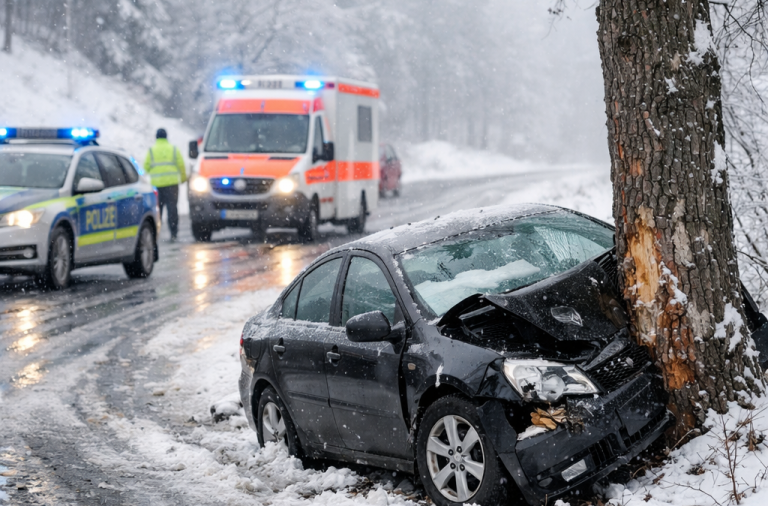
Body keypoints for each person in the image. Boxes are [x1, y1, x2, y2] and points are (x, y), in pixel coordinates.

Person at [144, 128, 186, 240]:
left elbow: (145, 167)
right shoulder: (173, 149)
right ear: (166, 136)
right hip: (172, 185)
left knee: (158, 210)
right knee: (172, 209)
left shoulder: (151, 151)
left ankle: (157, 234)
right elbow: (181, 165)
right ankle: (173, 233)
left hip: (157, 186)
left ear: (156, 137)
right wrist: (183, 178)